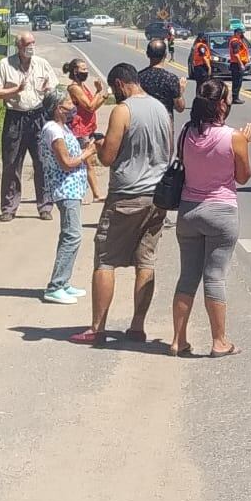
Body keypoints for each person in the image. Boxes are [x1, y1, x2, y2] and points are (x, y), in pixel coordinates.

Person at [70, 64, 170, 346]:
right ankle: (137, 326)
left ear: (120, 83)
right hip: (157, 194)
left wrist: (100, 144)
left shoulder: (123, 111)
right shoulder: (160, 109)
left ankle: (97, 328)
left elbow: (108, 158)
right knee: (145, 261)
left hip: (126, 194)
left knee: (105, 259)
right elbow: (168, 148)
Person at [170, 79, 251, 358]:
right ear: (221, 104)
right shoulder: (233, 137)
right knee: (215, 278)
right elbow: (242, 176)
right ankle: (219, 341)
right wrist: (245, 143)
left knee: (187, 277)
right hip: (221, 211)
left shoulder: (186, 132)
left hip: (189, 209)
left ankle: (178, 339)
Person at [0, 31, 59, 221]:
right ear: (18, 46)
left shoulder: (41, 64)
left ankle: (45, 206)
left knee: (43, 162)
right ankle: (9, 208)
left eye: (33, 43)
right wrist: (15, 90)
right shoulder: (5, 65)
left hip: (38, 117)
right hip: (15, 118)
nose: (31, 47)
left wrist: (48, 92)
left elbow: (54, 90)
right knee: (12, 163)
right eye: (27, 43)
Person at [37, 88, 98, 305]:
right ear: (57, 109)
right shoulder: (53, 130)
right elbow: (65, 162)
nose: (72, 107)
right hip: (65, 189)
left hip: (72, 188)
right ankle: (55, 285)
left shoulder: (63, 128)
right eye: (68, 104)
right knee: (72, 236)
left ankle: (64, 283)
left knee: (71, 235)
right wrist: (87, 154)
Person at [65, 58, 106, 202]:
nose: (86, 71)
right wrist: (98, 92)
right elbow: (89, 106)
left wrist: (103, 95)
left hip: (89, 128)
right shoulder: (74, 88)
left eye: (86, 69)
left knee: (101, 150)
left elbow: (93, 107)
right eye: (83, 69)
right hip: (79, 130)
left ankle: (94, 193)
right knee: (86, 162)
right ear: (75, 71)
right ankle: (92, 194)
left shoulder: (83, 86)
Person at [138, 38, 186, 125]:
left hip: (144, 124)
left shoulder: (139, 77)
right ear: (165, 55)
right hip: (164, 125)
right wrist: (181, 91)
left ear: (147, 54)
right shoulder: (171, 79)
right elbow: (180, 107)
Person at [228, 27, 251, 104]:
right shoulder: (235, 42)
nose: (242, 35)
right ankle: (235, 98)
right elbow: (236, 54)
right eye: (241, 33)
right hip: (236, 64)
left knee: (238, 81)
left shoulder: (238, 40)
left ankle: (235, 97)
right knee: (237, 81)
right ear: (237, 33)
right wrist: (241, 64)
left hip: (237, 63)